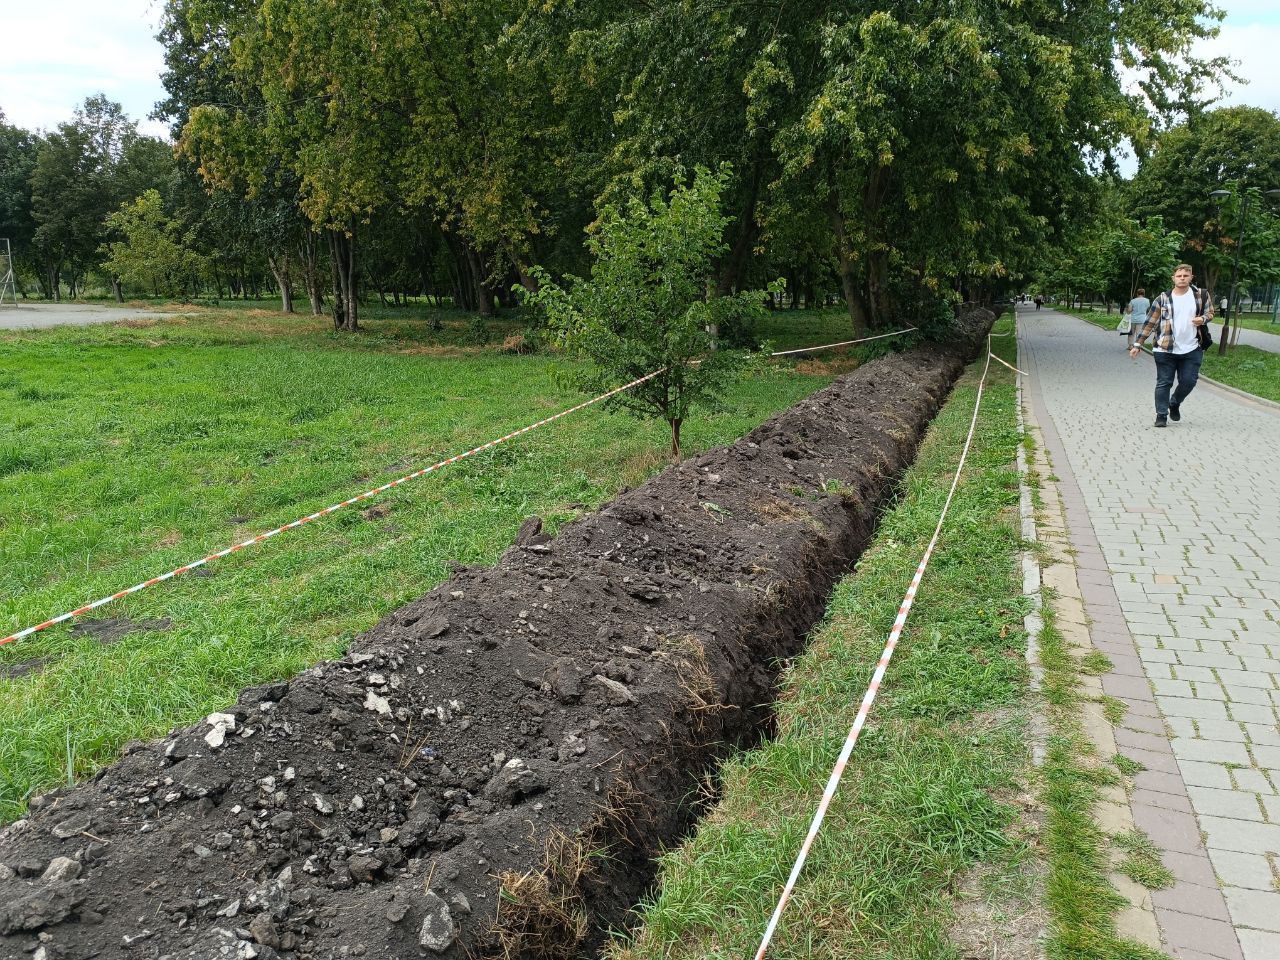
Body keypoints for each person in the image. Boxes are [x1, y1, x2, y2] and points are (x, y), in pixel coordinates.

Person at [1129, 264, 1213, 427]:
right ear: (1173, 278)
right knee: (1164, 382)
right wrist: (1138, 344)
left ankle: (1174, 402)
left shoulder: (1201, 295)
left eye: (1185, 275)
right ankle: (1161, 415)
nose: (1182, 278)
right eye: (1179, 275)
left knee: (1189, 381)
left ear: (1191, 277)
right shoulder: (1162, 298)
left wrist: (1202, 319)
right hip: (1164, 348)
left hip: (1192, 347)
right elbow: (1150, 322)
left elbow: (1210, 313)